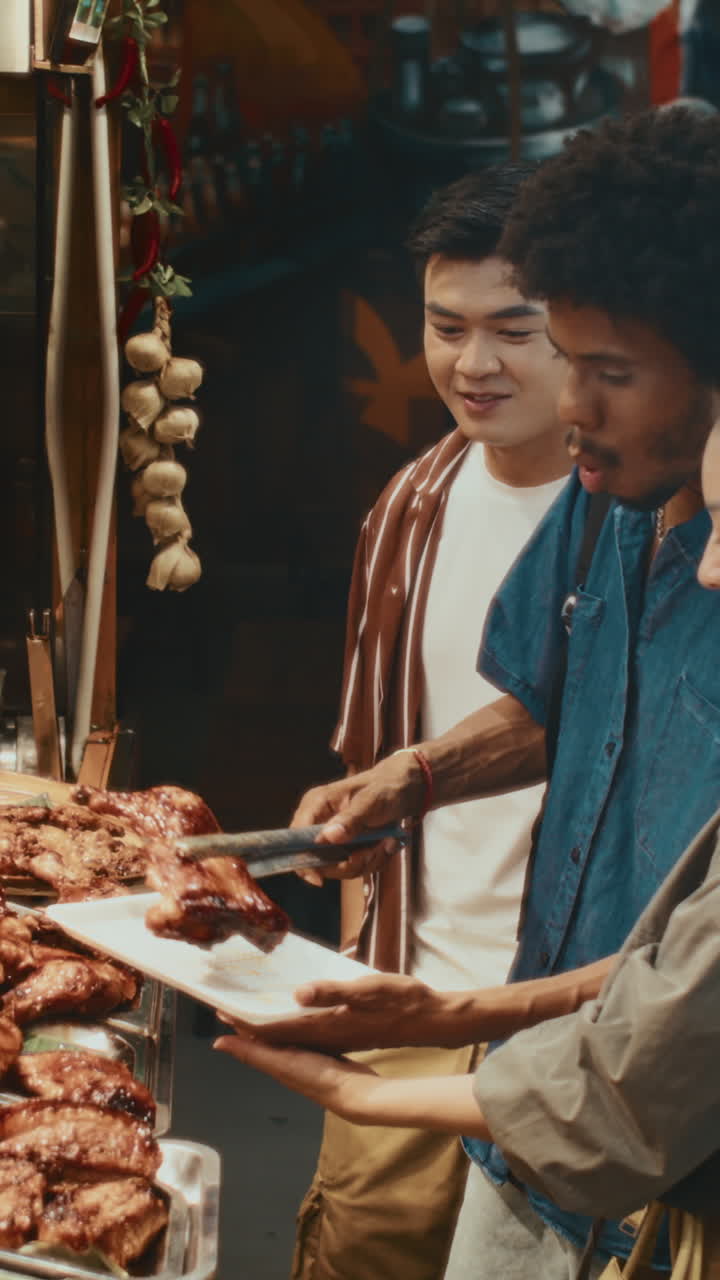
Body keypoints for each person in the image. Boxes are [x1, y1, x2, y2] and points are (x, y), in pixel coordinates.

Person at [233, 107, 720, 1277]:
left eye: (609, 373)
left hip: (663, 1166)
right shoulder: (600, 496)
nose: (575, 411)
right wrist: (416, 773)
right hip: (530, 1142)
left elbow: (683, 981)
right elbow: (551, 699)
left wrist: (434, 1026)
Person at [284, 164, 570, 1280]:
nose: (472, 363)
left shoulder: (654, 515)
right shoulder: (411, 503)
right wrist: (360, 974)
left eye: (515, 329)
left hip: (567, 1016)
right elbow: (368, 764)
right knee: (363, 1254)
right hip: (405, 994)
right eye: (445, 327)